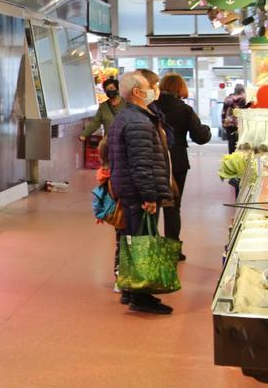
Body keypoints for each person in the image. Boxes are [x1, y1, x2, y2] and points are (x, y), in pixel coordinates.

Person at [107, 72, 174, 315]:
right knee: (141, 241)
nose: (153, 90)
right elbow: (141, 164)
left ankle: (132, 290)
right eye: (149, 86)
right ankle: (139, 295)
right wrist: (149, 196)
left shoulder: (125, 117)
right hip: (138, 193)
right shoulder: (138, 122)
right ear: (137, 92)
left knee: (132, 240)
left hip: (127, 190)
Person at [154, 73, 211, 255]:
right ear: (180, 89)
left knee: (151, 205)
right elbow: (200, 137)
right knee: (173, 206)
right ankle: (172, 250)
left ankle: (150, 250)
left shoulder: (150, 106)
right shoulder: (184, 109)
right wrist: (207, 129)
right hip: (177, 161)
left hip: (152, 160)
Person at [80, 77, 123, 142]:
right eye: (107, 90)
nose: (109, 91)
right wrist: (84, 134)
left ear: (117, 89)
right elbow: (95, 122)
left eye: (111, 88)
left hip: (125, 141)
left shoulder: (127, 104)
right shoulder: (103, 106)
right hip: (109, 141)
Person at [223, 84, 248, 153]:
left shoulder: (228, 98)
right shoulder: (244, 99)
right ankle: (239, 159)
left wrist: (223, 122)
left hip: (229, 123)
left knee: (231, 141)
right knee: (240, 142)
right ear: (242, 91)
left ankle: (231, 157)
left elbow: (223, 112)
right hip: (240, 124)